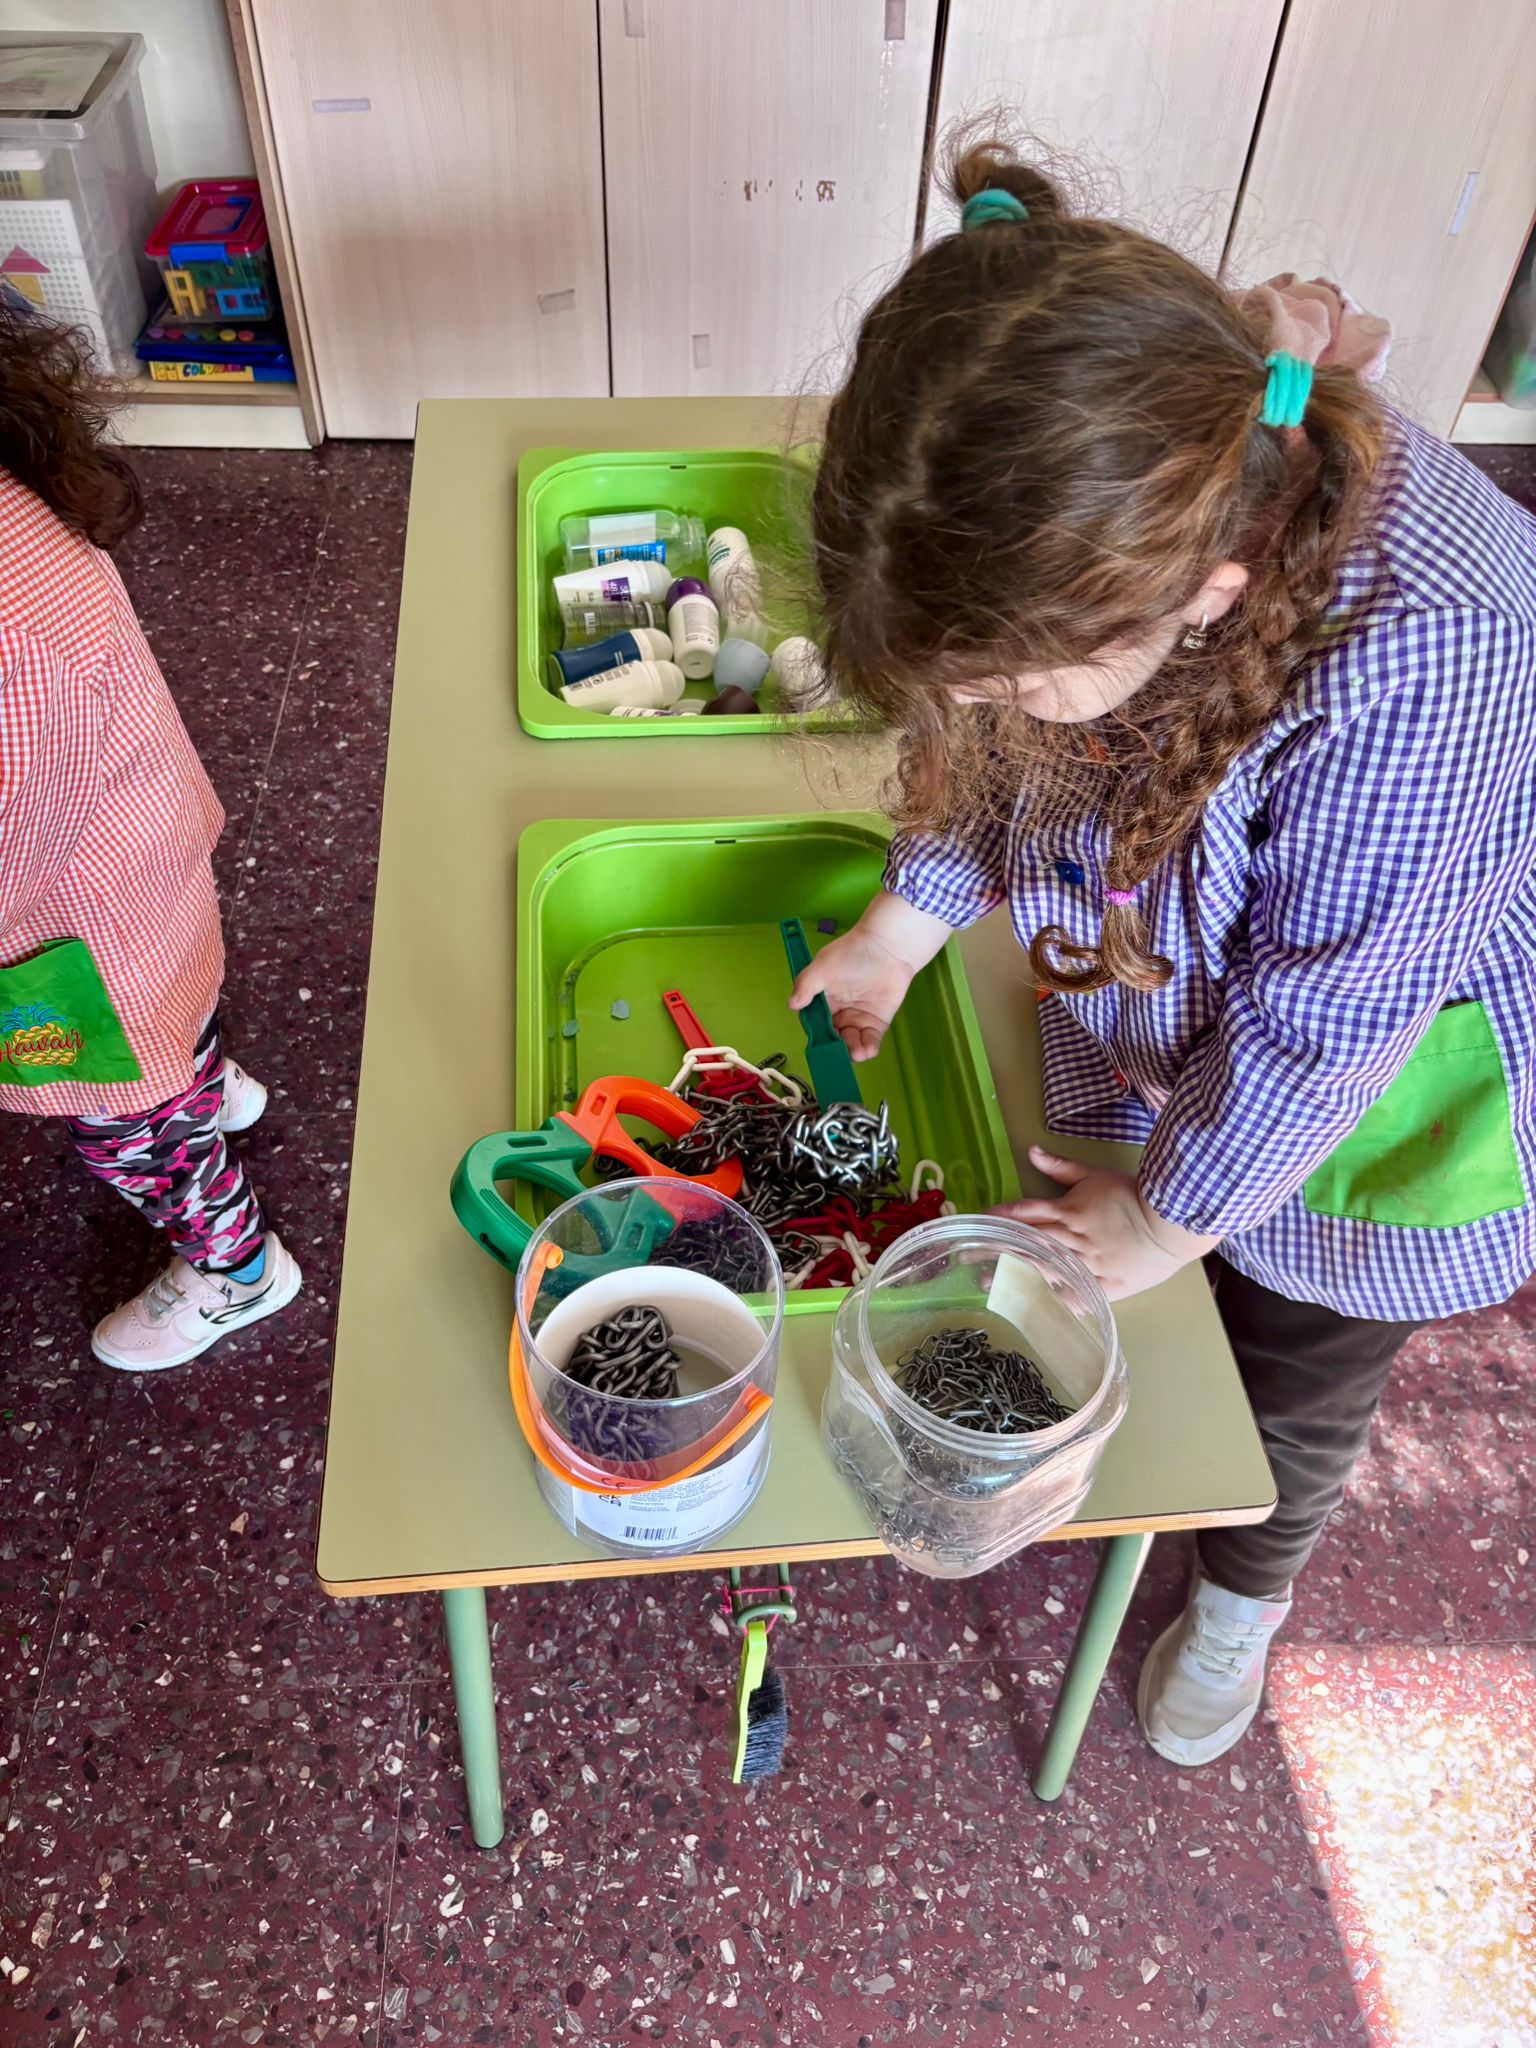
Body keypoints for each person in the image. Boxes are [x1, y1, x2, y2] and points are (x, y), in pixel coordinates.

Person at [790, 140, 1536, 1766]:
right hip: (1168, 973)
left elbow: (1321, 1029)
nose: (977, 714)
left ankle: (1249, 1592)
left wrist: (1173, 1215)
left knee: (1292, 1373)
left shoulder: (1425, 658)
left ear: (1202, 596)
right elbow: (1000, 760)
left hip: (1378, 1075)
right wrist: (903, 924)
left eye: (1005, 686)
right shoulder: (1110, 518)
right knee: (1145, 1239)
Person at [0, 303, 300, 1370]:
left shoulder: (7, 644)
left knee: (130, 1136)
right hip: (141, 867)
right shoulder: (16, 492)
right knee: (179, 1015)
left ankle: (240, 1270)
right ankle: (201, 1083)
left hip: (73, 952)